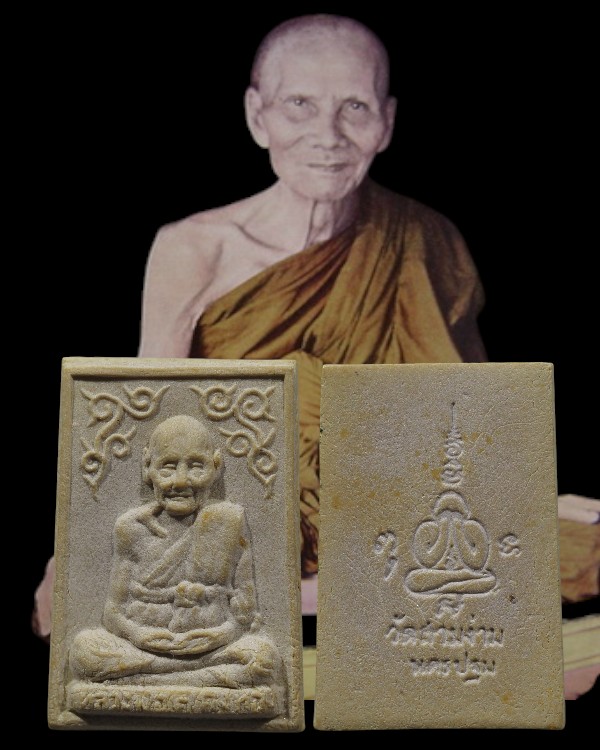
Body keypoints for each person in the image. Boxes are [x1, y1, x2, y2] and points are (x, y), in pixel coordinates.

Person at [33, 14, 486, 626]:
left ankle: (308, 600)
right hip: (241, 509)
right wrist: (82, 542)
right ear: (257, 116)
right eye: (299, 104)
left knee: (566, 546)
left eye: (354, 107)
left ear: (386, 123)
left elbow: (472, 419)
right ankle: (327, 599)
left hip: (388, 507)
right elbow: (140, 417)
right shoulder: (195, 249)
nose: (327, 135)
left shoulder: (425, 238)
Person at [68, 415, 281, 692]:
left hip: (212, 646)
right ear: (147, 467)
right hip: (143, 646)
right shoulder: (130, 527)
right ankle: (194, 678)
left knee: (264, 657)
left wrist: (219, 636)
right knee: (84, 651)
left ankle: (146, 682)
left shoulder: (229, 521)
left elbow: (245, 614)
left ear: (216, 467)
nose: (180, 481)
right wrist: (139, 635)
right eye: (168, 467)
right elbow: (113, 612)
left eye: (196, 467)